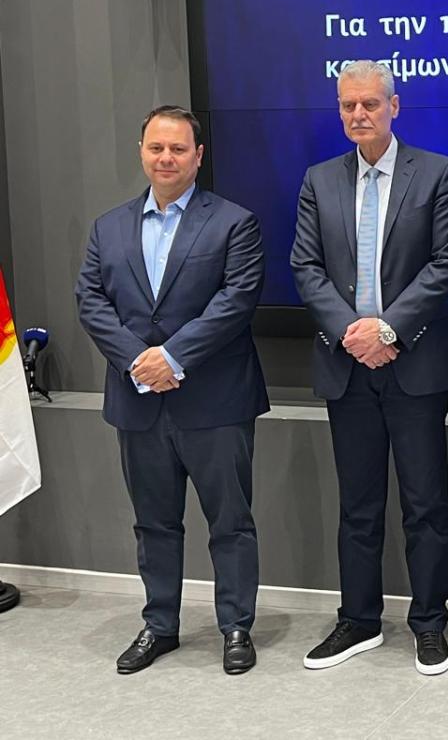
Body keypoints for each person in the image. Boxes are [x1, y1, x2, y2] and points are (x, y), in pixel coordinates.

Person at [76, 105, 267, 675]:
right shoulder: (108, 227)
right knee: (153, 523)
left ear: (198, 156)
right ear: (141, 151)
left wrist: (172, 356)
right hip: (138, 399)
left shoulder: (234, 223)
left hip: (216, 400)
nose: (166, 158)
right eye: (156, 148)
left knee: (230, 523)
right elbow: (90, 300)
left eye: (178, 149)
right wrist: (139, 361)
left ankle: (236, 627)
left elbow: (236, 300)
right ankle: (160, 625)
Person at [291, 60, 448, 675]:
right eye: (348, 105)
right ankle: (359, 620)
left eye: (369, 103)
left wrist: (387, 329)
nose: (358, 114)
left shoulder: (436, 173)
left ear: (395, 106)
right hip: (347, 366)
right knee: (358, 506)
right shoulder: (320, 180)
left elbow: (446, 263)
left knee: (426, 505)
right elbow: (306, 267)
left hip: (414, 363)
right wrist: (353, 333)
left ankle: (429, 624)